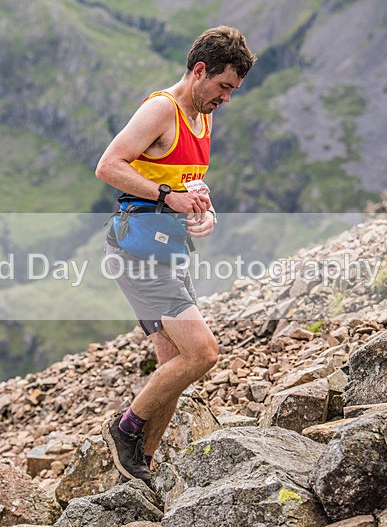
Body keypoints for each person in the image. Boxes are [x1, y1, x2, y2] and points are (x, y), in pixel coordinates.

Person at [95, 26, 256, 484]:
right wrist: (167, 197)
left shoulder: (204, 117)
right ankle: (125, 430)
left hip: (167, 252)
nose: (226, 98)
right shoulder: (162, 109)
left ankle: (136, 468)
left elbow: (188, 186)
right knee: (203, 353)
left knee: (173, 366)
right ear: (200, 71)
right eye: (224, 86)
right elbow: (108, 166)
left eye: (233, 91)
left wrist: (203, 215)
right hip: (137, 254)